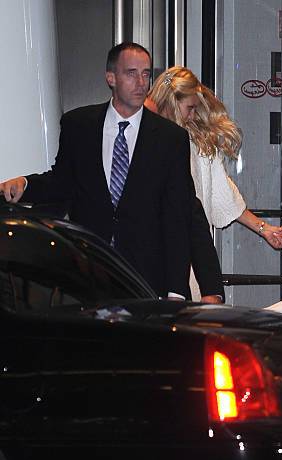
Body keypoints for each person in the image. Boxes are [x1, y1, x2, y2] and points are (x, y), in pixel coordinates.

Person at [0, 42, 223, 302]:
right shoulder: (78, 126)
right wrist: (25, 184)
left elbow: (182, 214)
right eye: (131, 73)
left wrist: (182, 289)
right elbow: (62, 182)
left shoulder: (170, 138)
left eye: (146, 74)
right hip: (88, 273)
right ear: (111, 78)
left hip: (148, 279)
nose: (141, 82)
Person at [145, 67, 282, 300]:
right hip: (153, 253)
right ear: (172, 101)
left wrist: (264, 229)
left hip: (190, 253)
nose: (192, 116)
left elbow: (223, 193)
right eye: (189, 108)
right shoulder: (145, 139)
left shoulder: (197, 141)